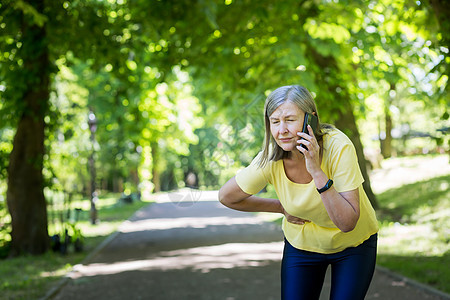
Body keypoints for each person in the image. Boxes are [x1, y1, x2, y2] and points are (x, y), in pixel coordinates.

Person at [218, 85, 379, 300]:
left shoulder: (338, 147)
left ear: (310, 120)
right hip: (303, 245)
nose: (281, 130)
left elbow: (347, 223)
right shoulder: (270, 158)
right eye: (275, 122)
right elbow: (227, 196)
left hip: (353, 245)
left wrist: (316, 170)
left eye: (290, 120)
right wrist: (281, 208)